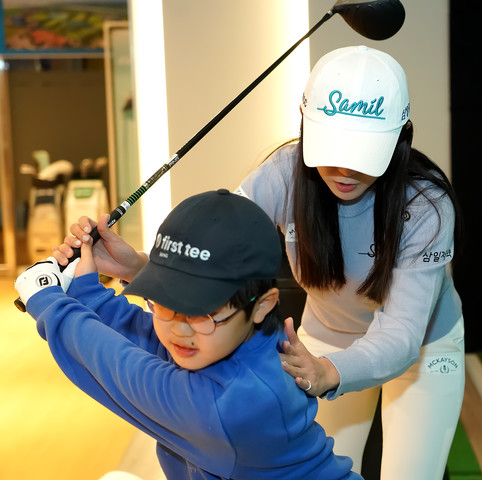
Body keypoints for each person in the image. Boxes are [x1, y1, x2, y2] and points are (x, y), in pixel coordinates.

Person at [61, 45, 465, 479]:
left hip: (424, 347)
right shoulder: (284, 172)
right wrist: (139, 268)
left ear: (402, 137)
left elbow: (402, 334)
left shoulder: (427, 205)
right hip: (323, 339)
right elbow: (215, 249)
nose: (344, 170)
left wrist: (330, 371)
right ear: (305, 123)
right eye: (332, 147)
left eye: (364, 153)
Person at [15, 189, 360, 480]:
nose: (178, 330)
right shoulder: (235, 340)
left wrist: (48, 300)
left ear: (262, 305)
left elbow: (121, 368)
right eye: (165, 302)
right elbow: (146, 338)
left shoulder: (237, 406)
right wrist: (86, 290)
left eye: (202, 312)